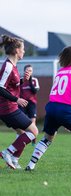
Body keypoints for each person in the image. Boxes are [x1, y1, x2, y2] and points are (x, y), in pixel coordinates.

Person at [0, 35, 38, 169]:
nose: (24, 51)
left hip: (8, 108)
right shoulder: (8, 67)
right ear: (16, 50)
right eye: (22, 49)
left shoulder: (13, 66)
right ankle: (7, 152)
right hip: (8, 108)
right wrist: (17, 99)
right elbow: (0, 87)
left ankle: (15, 159)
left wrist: (23, 81)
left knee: (23, 134)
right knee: (34, 132)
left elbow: (11, 85)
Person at [19, 64, 40, 145]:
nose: (29, 72)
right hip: (22, 103)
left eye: (30, 71)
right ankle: (21, 140)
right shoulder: (20, 80)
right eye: (27, 71)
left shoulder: (34, 80)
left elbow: (35, 91)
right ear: (24, 71)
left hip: (32, 103)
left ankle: (33, 140)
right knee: (20, 122)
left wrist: (30, 80)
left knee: (32, 122)